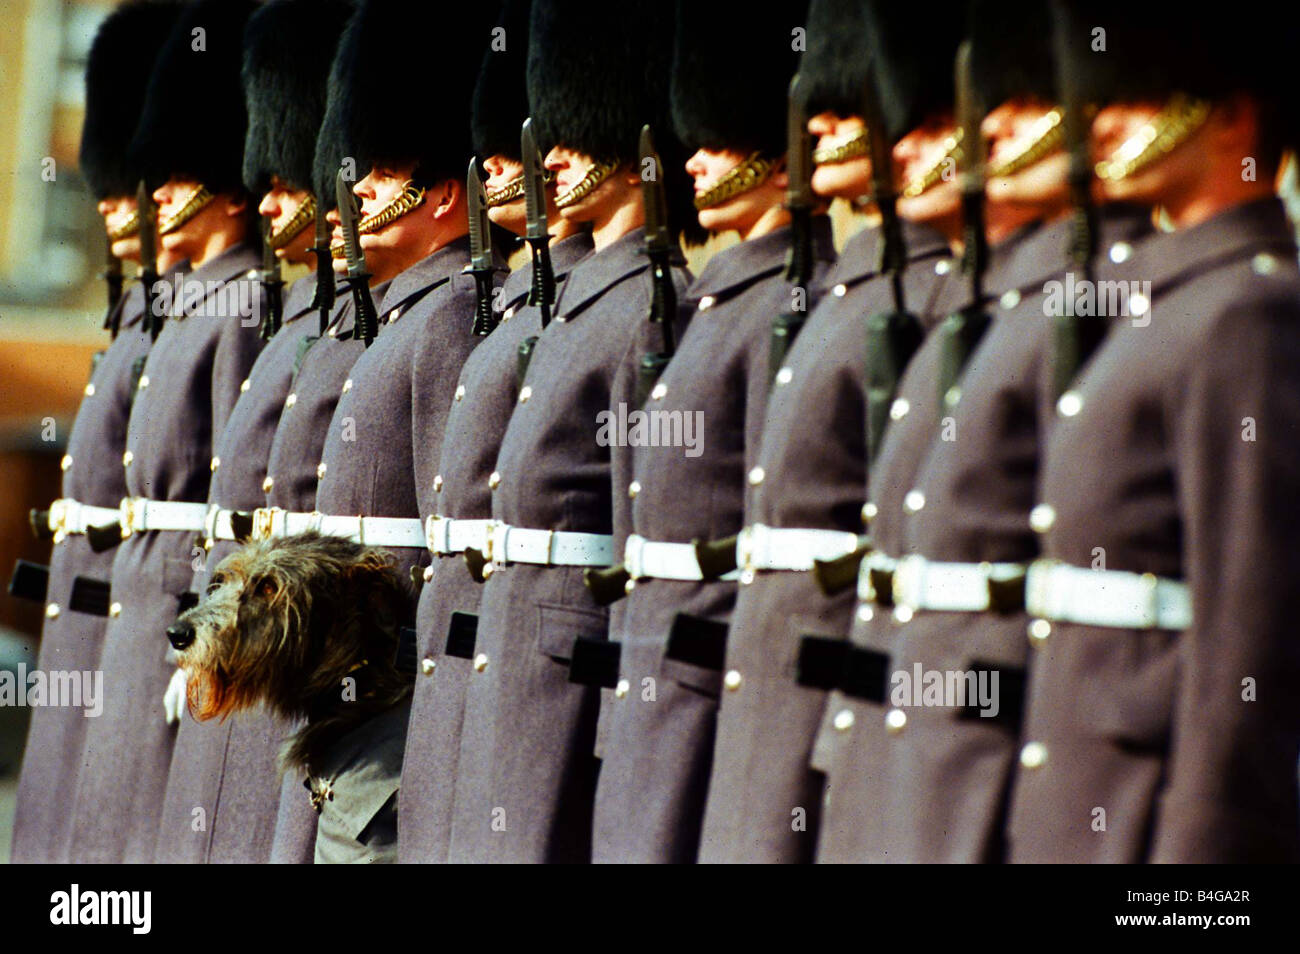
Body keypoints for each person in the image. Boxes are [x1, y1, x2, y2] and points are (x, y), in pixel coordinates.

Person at [825, 0, 1152, 863]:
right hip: (910, 732)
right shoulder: (987, 304)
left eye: (939, 123)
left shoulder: (1105, 297)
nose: (985, 129)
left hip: (998, 751)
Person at [1007, 0, 1300, 863]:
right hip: (1081, 783)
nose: (1098, 126)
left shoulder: (1250, 308)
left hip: (1151, 812)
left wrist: (1206, 860)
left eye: (1133, 100)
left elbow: (1250, 615)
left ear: (1231, 115)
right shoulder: (1171, 301)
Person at [696, 0, 962, 863]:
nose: (822, 126)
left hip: (840, 671)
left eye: (850, 109)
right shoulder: (847, 289)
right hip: (774, 665)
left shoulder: (921, 290)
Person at [446, 0, 694, 863]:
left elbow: (641, 519)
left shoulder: (650, 305)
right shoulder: (578, 299)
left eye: (576, 135)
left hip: (568, 656)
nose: (546, 154)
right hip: (512, 640)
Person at [591, 1, 834, 864]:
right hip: (654, 661)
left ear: (777, 151)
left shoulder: (785, 300)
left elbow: (767, 519)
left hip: (708, 668)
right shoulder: (706, 301)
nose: (693, 161)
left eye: (720, 140)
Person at [152, 0, 353, 865]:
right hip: (238, 613)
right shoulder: (294, 311)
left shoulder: (292, 311)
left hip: (286, 627)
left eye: (284, 180)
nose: (276, 199)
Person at [398, 0, 596, 863]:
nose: (498, 168)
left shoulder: (607, 303)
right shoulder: (512, 300)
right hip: (466, 625)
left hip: (541, 636)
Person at [67, 0, 264, 865]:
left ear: (227, 183)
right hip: (130, 588)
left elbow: (229, 485)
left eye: (179, 175)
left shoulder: (239, 302)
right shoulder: (177, 304)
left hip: (171, 601)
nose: (151, 196)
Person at [9, 0, 183, 865]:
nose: (115, 205)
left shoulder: (216, 314)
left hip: (153, 605)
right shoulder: (145, 309)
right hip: (97, 596)